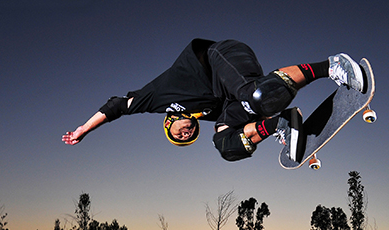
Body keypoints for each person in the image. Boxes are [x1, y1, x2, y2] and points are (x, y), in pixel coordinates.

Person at [63, 39, 365, 163]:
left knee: (256, 96)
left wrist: (83, 130)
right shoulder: (209, 114)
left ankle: (332, 65)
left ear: (170, 120)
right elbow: (231, 123)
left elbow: (116, 106)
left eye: (178, 133)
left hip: (220, 57)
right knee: (225, 146)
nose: (186, 134)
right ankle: (281, 123)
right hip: (233, 95)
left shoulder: (156, 100)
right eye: (186, 138)